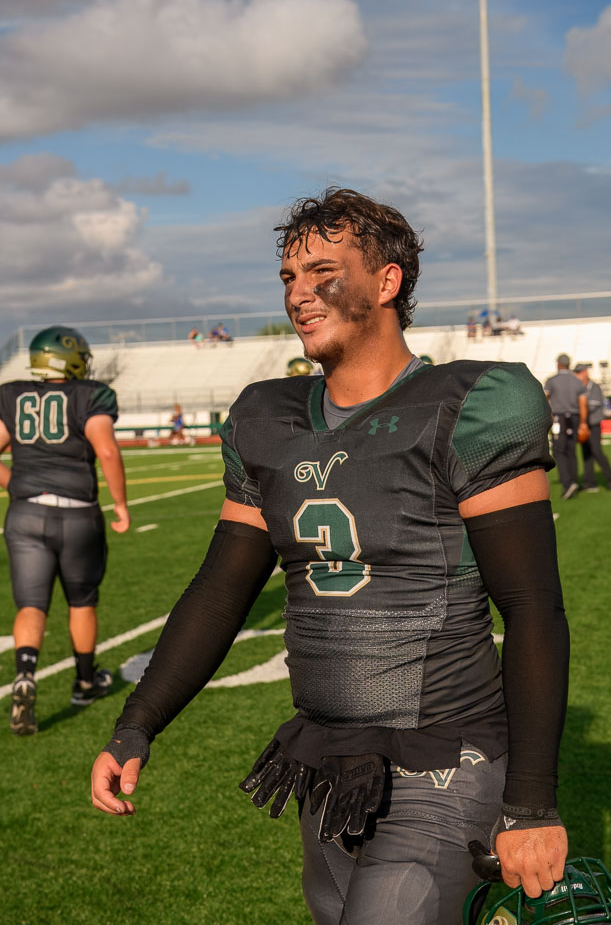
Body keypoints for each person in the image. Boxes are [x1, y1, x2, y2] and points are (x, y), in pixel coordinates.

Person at [91, 188, 569, 925]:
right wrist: (137, 725)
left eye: (322, 272)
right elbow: (220, 591)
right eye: (289, 277)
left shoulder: (470, 404)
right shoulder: (265, 416)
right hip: (326, 766)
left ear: (387, 281)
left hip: (445, 761)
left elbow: (532, 605)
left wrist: (532, 804)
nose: (298, 293)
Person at [0, 326, 130, 736]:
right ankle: (85, 683)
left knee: (31, 605)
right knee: (81, 601)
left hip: (25, 513)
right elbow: (106, 449)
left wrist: (16, 485)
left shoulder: (12, 394)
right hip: (76, 514)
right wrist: (121, 505)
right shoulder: (90, 394)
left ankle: (25, 674)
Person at [544, 353, 589, 500]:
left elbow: (544, 399)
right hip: (574, 418)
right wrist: (583, 422)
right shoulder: (577, 381)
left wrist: (549, 416)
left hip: (559, 418)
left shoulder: (552, 380)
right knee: (571, 451)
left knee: (559, 452)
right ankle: (574, 481)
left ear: (558, 364)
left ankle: (567, 483)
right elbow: (583, 404)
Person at [573, 364, 611, 492]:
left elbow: (593, 405)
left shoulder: (594, 387)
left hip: (593, 425)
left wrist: (579, 407)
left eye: (579, 372)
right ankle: (589, 483)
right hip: (583, 425)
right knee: (586, 454)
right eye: (576, 372)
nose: (577, 375)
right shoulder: (577, 387)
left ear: (585, 373)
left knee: (597, 452)